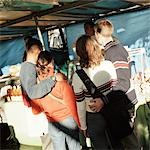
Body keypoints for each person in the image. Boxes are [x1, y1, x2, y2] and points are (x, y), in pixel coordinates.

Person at [94, 19, 139, 149]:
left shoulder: (114, 52)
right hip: (119, 103)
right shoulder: (113, 49)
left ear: (98, 34)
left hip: (124, 104)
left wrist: (104, 99)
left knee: (130, 142)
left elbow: (123, 82)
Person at [72, 34, 117, 149]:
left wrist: (83, 127)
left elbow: (80, 105)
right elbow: (116, 90)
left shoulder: (78, 76)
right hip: (112, 110)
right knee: (117, 144)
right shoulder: (108, 65)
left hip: (94, 118)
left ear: (79, 53)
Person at [30, 51, 81, 150]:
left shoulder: (36, 88)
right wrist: (80, 124)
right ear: (51, 63)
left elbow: (35, 111)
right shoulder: (60, 83)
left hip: (52, 124)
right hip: (68, 121)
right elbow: (72, 106)